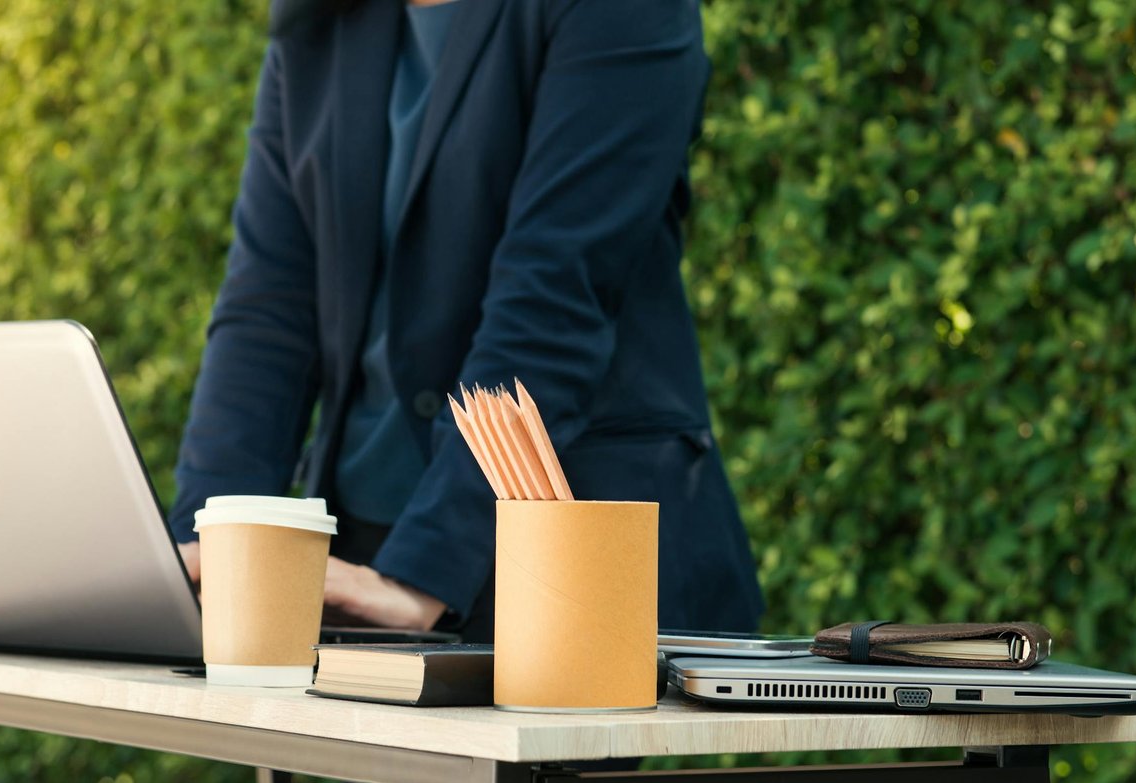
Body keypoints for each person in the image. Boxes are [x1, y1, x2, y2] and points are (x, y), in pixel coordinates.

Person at [169, 0, 763, 647]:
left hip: (557, 572)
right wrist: (207, 545)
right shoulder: (324, 20)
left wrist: (422, 576)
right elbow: (267, 312)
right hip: (348, 559)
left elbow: (554, 297)